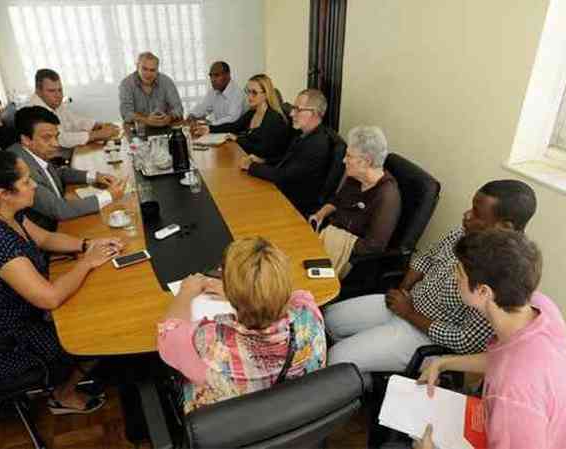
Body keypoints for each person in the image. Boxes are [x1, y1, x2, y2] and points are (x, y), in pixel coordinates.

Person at [0, 150, 125, 414]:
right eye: (26, 181)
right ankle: (62, 394)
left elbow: (44, 239)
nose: (34, 186)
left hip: (18, 317)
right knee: (93, 331)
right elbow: (49, 297)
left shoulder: (9, 214)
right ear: (2, 193)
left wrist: (87, 244)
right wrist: (87, 262)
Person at [324, 180, 538, 372]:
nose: (466, 215)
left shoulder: (505, 275)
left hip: (425, 334)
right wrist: (404, 290)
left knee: (338, 358)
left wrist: (409, 314)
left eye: (476, 213)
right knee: (328, 319)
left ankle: (356, 381)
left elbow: (467, 341)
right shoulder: (463, 233)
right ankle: (360, 364)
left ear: (504, 226)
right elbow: (425, 259)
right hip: (405, 302)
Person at [415, 229, 566, 449]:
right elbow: (503, 359)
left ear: (483, 291)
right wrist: (444, 362)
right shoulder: (540, 306)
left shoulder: (511, 395)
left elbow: (512, 372)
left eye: (458, 273)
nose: (454, 277)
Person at [157, 237, 326, 413]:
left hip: (227, 426)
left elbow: (167, 331)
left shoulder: (206, 343)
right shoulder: (309, 313)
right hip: (294, 413)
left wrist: (186, 292)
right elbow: (288, 297)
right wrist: (246, 292)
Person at [7, 106, 126, 231]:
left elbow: (57, 172)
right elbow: (59, 210)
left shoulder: (31, 152)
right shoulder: (21, 167)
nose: (56, 144)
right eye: (47, 138)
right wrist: (109, 195)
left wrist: (94, 177)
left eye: (56, 136)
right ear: (26, 139)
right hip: (49, 231)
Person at [308, 125, 401, 278]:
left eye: (349, 156)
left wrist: (335, 238)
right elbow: (337, 200)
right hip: (329, 236)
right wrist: (320, 215)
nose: (344, 160)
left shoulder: (387, 196)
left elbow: (373, 247)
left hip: (352, 261)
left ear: (366, 162)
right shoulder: (356, 177)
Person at [238, 88, 332, 217]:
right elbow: (287, 160)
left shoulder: (317, 144)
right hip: (283, 191)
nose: (292, 113)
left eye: (298, 109)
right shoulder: (305, 134)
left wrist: (251, 166)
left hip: (293, 205)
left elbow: (284, 175)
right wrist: (263, 161)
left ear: (314, 113)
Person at [196, 74, 290, 164]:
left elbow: (261, 149)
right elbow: (234, 126)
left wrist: (237, 139)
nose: (249, 96)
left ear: (266, 94)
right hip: (250, 160)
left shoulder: (273, 118)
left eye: (254, 92)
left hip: (266, 167)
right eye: (247, 91)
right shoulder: (253, 112)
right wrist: (209, 129)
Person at [30, 68, 119, 148]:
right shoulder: (34, 111)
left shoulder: (54, 103)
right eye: (51, 91)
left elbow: (74, 120)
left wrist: (97, 125)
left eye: (60, 90)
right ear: (38, 91)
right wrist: (97, 134)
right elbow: (61, 139)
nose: (58, 95)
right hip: (54, 161)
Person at [119, 51, 184, 127]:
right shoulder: (126, 84)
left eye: (152, 70)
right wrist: (146, 120)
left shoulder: (166, 81)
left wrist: (169, 117)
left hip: (164, 126)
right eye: (144, 69)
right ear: (137, 66)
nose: (148, 74)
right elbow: (125, 113)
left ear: (157, 70)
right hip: (139, 129)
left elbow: (179, 109)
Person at [187, 61, 247, 126]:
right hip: (219, 131)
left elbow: (232, 118)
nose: (212, 79)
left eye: (216, 75)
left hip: (235, 132)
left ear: (227, 75)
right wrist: (192, 115)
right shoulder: (213, 91)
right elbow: (203, 107)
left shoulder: (237, 93)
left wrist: (210, 123)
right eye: (211, 76)